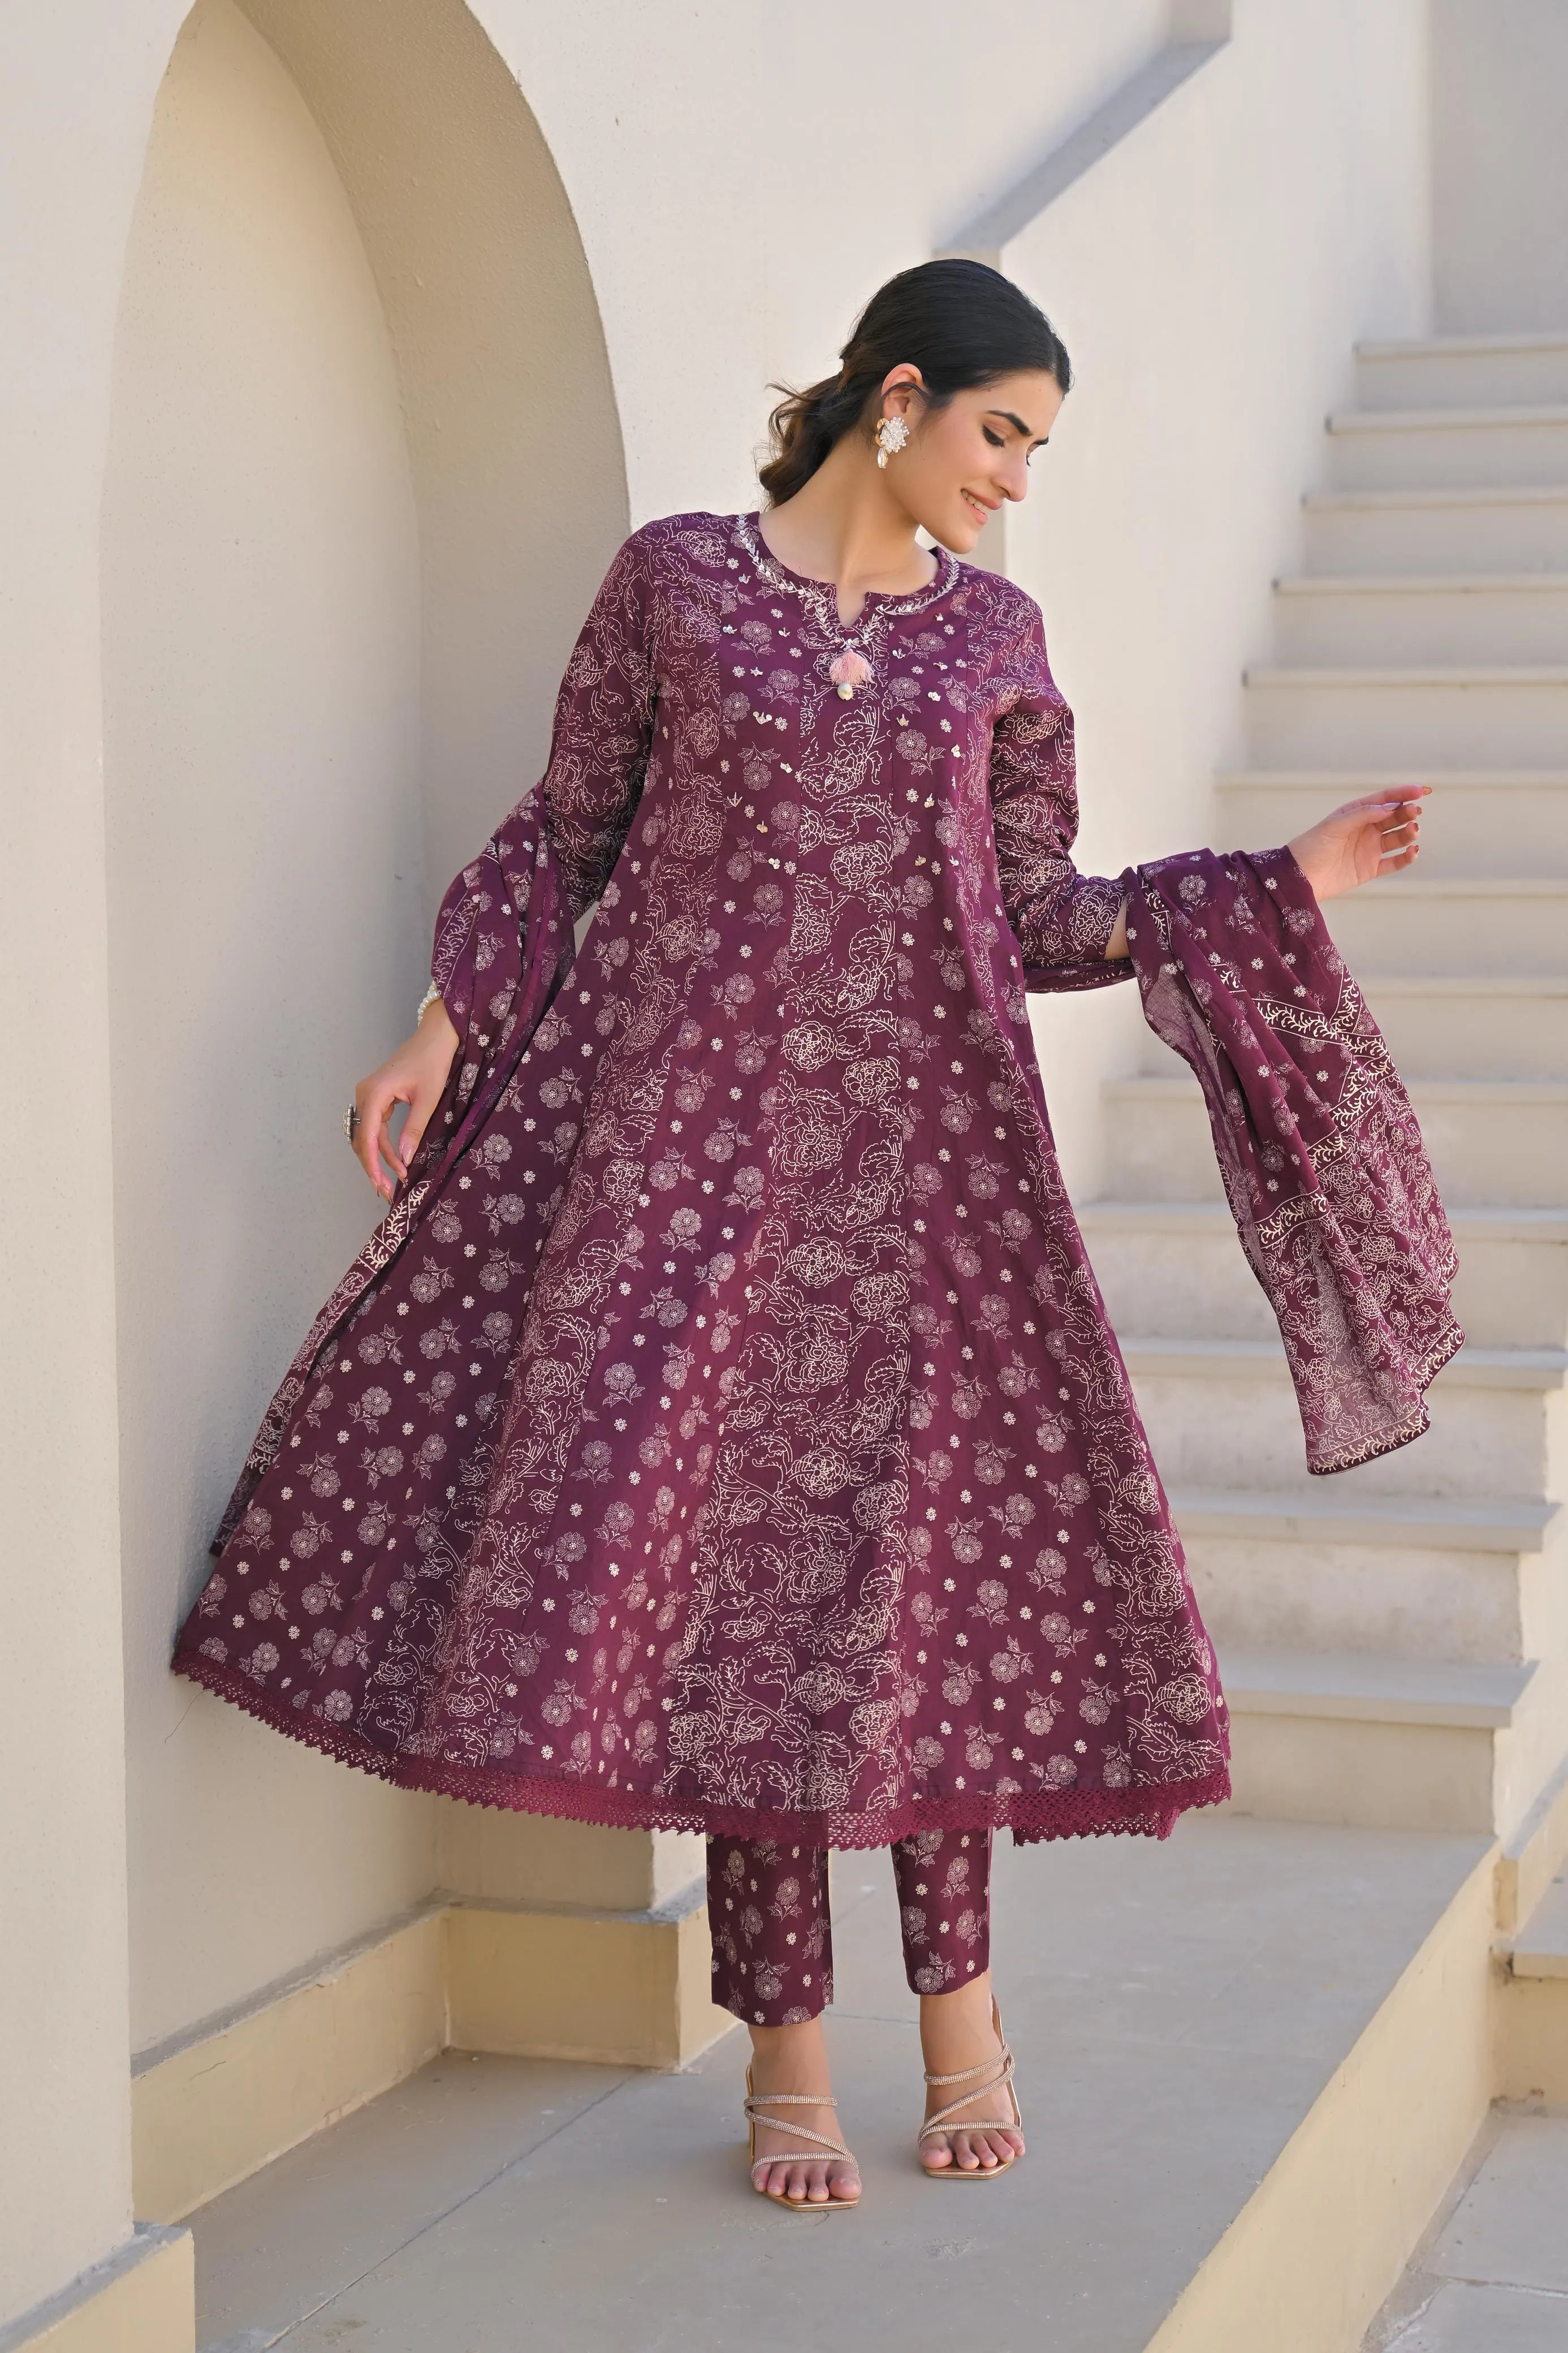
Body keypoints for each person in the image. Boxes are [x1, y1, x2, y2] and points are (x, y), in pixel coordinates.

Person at [174, 260, 1455, 2210]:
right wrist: (445, 1023)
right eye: (1001, 433)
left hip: (932, 1183)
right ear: (902, 398)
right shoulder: (678, 586)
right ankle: (782, 2045)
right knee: (740, 1607)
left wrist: (1276, 885)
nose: (1016, 479)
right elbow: (569, 832)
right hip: (690, 1181)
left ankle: (962, 2024)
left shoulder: (1002, 644)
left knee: (910, 1605)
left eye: (1037, 449)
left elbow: (1035, 916)